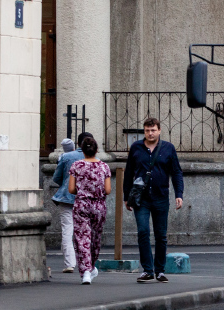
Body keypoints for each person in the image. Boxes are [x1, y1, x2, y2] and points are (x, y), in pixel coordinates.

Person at [125, 117, 184, 283]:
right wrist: (126, 197)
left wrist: (178, 194)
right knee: (143, 232)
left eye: (153, 130)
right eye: (147, 130)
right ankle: (147, 270)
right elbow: (129, 172)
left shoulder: (168, 148)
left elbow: (176, 172)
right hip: (141, 199)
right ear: (144, 131)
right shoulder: (136, 148)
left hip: (161, 197)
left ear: (159, 131)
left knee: (161, 235)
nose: (150, 133)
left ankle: (160, 270)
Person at [68, 136, 111, 285]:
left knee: (82, 238)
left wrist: (83, 191)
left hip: (81, 204)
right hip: (99, 206)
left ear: (82, 150)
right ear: (96, 150)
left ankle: (86, 271)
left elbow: (71, 189)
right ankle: (92, 266)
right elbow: (108, 190)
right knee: (95, 237)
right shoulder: (104, 167)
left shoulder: (76, 166)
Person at [51, 137, 80, 273]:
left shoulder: (65, 157)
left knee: (67, 230)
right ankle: (87, 262)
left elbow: (56, 177)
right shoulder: (94, 159)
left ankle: (70, 263)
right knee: (84, 230)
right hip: (85, 199)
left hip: (66, 197)